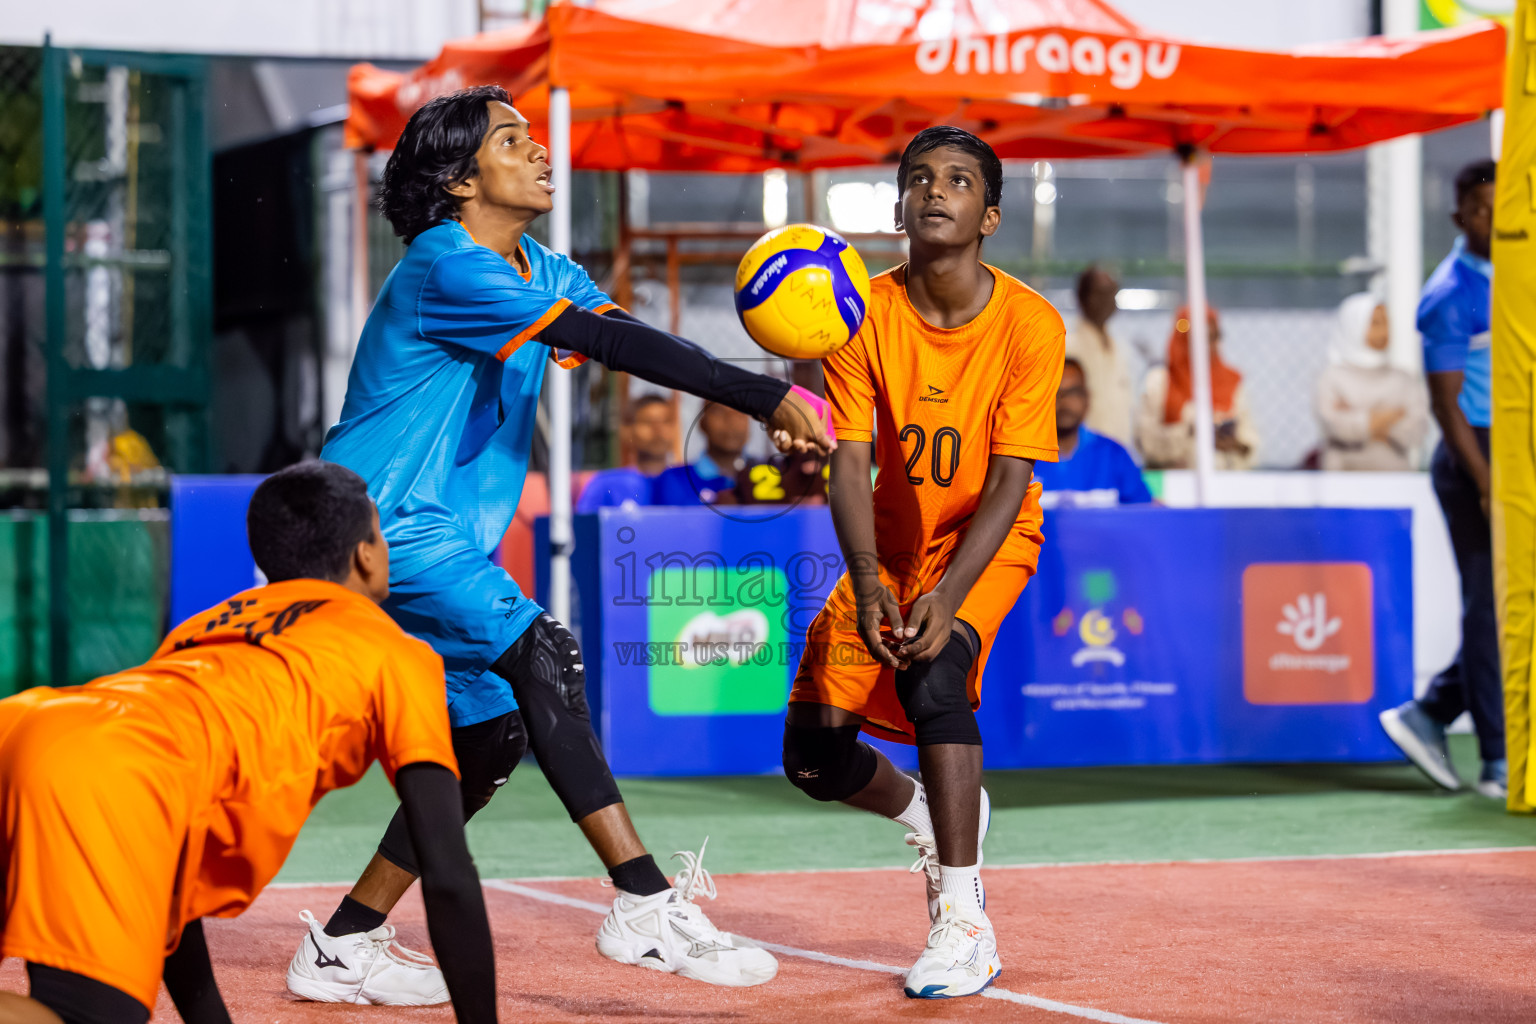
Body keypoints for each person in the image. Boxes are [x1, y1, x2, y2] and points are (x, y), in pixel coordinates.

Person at [300, 86, 832, 1001]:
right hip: (374, 526)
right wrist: (762, 396)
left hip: (430, 533)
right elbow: (601, 343)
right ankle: (642, 902)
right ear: (461, 181)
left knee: (489, 741)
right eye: (514, 140)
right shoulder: (447, 266)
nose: (541, 152)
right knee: (547, 655)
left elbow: (622, 332)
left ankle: (344, 941)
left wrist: (767, 395)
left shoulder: (534, 264)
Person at [0, 462, 497, 1023]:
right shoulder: (399, 653)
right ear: (364, 554)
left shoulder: (206, 625)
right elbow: (448, 872)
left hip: (30, 725)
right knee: (80, 1014)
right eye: (379, 534)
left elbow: (166, 878)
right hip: (106, 768)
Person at [782, 126, 1063, 1000]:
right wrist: (869, 581)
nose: (934, 191)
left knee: (935, 673)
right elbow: (848, 462)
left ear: (991, 215)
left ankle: (964, 919)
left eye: (958, 180)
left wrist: (947, 592)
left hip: (986, 537)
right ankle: (932, 810)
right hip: (889, 549)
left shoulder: (1030, 323)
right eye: (918, 179)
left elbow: (1012, 479)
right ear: (899, 204)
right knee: (812, 763)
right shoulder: (857, 315)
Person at [1379, 158, 1503, 799]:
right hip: (1472, 456)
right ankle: (1498, 759)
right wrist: (1485, 481)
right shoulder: (1450, 294)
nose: (1493, 218)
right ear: (1459, 217)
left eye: (1503, 204)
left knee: (1513, 607)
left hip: (1514, 449)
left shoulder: (1520, 272)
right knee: (1489, 605)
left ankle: (1429, 712)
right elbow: (1445, 407)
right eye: (1480, 209)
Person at [1313, 293, 1428, 471]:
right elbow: (1333, 425)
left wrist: (1357, 418)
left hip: (1395, 479)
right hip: (1342, 477)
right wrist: (1389, 418)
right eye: (1375, 323)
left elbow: (1416, 431)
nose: (1384, 331)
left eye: (1386, 322)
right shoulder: (1332, 377)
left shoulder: (1404, 378)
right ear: (1353, 325)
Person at [1136, 306, 1259, 470]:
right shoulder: (1160, 382)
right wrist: (1189, 431)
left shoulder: (1232, 382)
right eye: (1200, 340)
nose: (1208, 347)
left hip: (1224, 483)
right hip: (1174, 483)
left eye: (1213, 338)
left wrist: (1234, 445)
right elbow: (1145, 443)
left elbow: (1250, 441)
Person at [1034, 357, 1151, 507]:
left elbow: (1145, 516)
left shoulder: (1114, 455)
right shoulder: (1022, 458)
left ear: (1087, 398)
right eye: (1055, 392)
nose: (1064, 401)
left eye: (1073, 392)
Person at [1065, 265, 1134, 448]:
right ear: (1082, 298)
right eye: (1100, 293)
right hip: (1080, 454)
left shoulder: (1119, 349)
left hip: (1118, 453)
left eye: (1112, 293)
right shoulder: (1068, 348)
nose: (1108, 300)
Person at [576, 393, 676, 511]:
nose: (658, 430)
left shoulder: (685, 482)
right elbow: (583, 526)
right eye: (648, 422)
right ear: (627, 432)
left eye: (665, 422)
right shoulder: (604, 484)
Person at [651, 400, 750, 504]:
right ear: (702, 423)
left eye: (740, 413)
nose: (731, 421)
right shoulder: (674, 480)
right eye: (718, 412)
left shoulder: (765, 475)